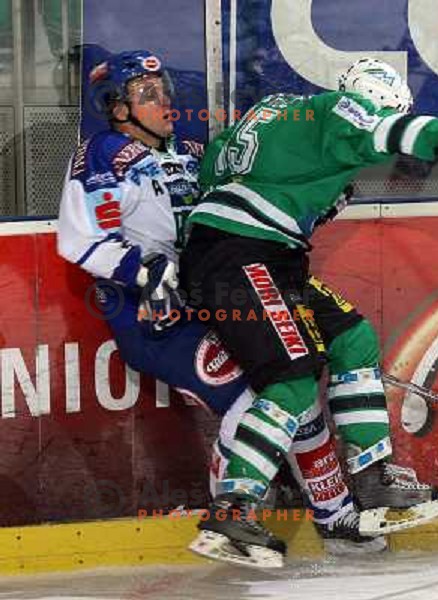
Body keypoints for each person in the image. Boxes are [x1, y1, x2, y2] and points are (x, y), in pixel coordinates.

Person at [180, 57, 438, 568]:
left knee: (350, 335)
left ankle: (372, 477)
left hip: (257, 255)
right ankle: (234, 508)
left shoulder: (277, 113)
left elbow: (217, 172)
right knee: (291, 379)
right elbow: (381, 132)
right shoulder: (340, 111)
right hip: (241, 254)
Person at [56, 50, 383, 556]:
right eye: (147, 95)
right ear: (117, 108)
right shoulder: (102, 155)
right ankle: (230, 520)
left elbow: (241, 216)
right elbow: (80, 241)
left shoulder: (191, 151)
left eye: (164, 90)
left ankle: (337, 517)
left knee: (293, 390)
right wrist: (143, 271)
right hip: (154, 318)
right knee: (256, 402)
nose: (164, 101)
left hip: (217, 294)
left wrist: (311, 207)